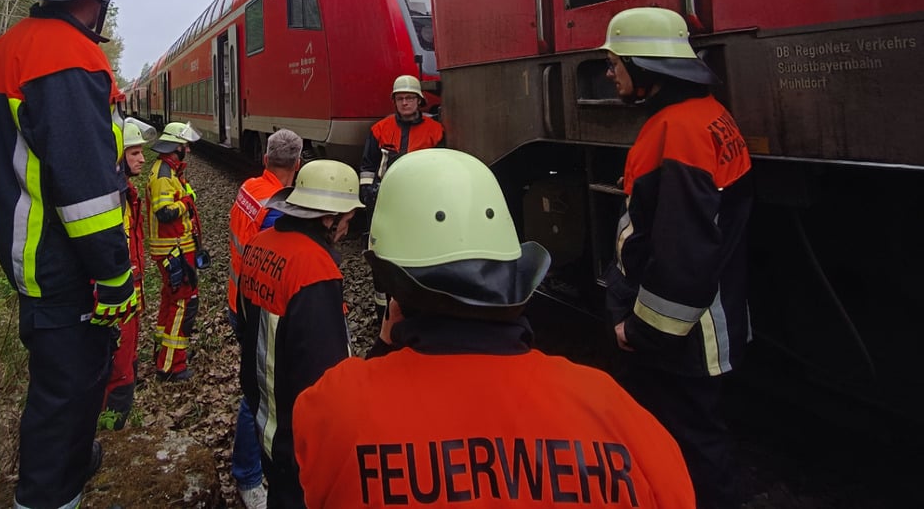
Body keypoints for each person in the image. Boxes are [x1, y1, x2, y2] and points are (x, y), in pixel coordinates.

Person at [293, 148, 695, 508]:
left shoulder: (334, 407)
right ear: (514, 276)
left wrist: (383, 352)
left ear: (390, 283)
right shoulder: (618, 414)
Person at [0, 0, 137, 508]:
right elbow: (86, 189)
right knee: (64, 394)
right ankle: (47, 495)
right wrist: (115, 272)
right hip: (65, 264)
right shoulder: (66, 55)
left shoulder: (13, 45)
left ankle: (73, 462)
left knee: (69, 385)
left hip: (35, 254)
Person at [599, 7, 753, 509]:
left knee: (690, 451)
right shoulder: (708, 115)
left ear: (644, 68)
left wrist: (644, 334)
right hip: (708, 321)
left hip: (681, 341)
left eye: (614, 61)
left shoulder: (678, 131)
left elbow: (682, 251)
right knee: (700, 439)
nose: (608, 72)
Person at [236, 159, 363, 509]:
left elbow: (248, 322)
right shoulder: (315, 270)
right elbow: (327, 375)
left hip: (266, 421)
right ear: (328, 218)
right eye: (346, 221)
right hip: (300, 441)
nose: (346, 231)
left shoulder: (260, 244)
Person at [226, 128, 303, 509]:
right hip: (254, 309)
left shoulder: (249, 189)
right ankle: (249, 476)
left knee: (254, 391)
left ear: (265, 159)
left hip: (236, 299)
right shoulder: (274, 206)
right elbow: (278, 263)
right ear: (298, 164)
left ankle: (249, 470)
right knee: (258, 397)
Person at [359, 74, 444, 322]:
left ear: (419, 101)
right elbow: (368, 165)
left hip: (421, 203)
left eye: (409, 98)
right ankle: (382, 312)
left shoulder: (435, 132)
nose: (404, 103)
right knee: (382, 256)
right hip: (386, 202)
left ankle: (416, 308)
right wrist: (368, 193)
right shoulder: (379, 130)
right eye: (400, 98)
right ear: (394, 101)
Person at [101, 118, 157, 430]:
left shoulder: (126, 192)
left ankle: (120, 416)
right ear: (120, 157)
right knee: (119, 362)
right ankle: (113, 428)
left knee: (127, 355)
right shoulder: (116, 198)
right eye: (134, 153)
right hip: (120, 291)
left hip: (130, 287)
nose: (141, 159)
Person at [146, 120, 204, 382]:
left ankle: (164, 351)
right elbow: (165, 212)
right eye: (185, 146)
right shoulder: (164, 176)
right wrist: (185, 203)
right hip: (174, 250)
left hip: (176, 248)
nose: (188, 150)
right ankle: (171, 366)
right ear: (175, 147)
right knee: (184, 302)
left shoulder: (170, 171)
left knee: (173, 300)